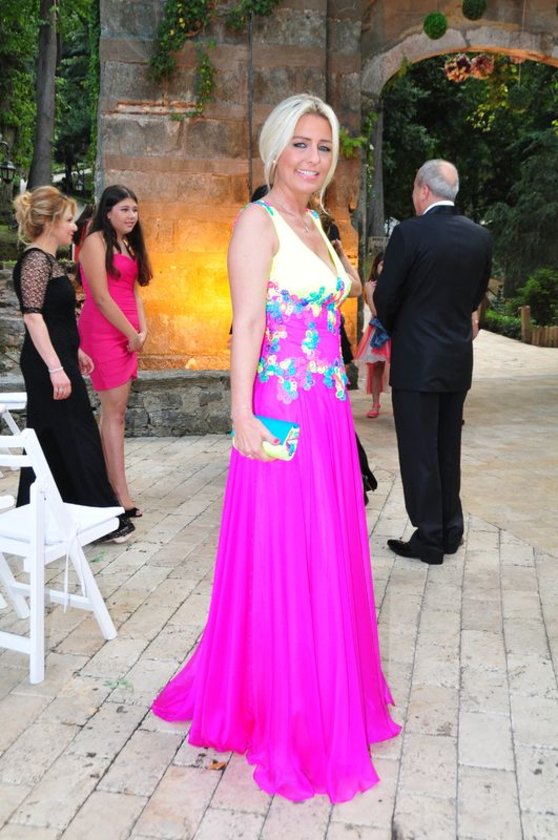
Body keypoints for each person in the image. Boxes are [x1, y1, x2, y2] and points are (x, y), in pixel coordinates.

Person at [152, 94, 400, 802]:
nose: (313, 158)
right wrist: (241, 416)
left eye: (323, 146)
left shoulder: (316, 221)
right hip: (281, 410)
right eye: (301, 143)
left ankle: (327, 689)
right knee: (289, 550)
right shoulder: (255, 222)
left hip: (326, 410)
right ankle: (287, 707)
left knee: (327, 547)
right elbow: (250, 323)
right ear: (274, 149)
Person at [374, 159, 492, 565]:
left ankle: (429, 536)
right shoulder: (479, 236)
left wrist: (401, 329)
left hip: (417, 360)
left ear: (423, 189)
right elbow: (475, 295)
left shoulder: (409, 233)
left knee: (419, 450)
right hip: (457, 358)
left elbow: (386, 296)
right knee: (447, 447)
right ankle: (450, 529)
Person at [12, 186, 134, 543]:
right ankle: (99, 518)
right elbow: (33, 317)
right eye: (67, 220)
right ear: (50, 222)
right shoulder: (35, 261)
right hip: (47, 366)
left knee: (56, 439)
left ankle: (50, 518)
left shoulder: (49, 262)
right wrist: (55, 368)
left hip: (60, 359)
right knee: (76, 436)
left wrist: (75, 351)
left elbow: (56, 317)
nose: (73, 227)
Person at [78, 185, 152, 519]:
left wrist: (143, 330)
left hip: (128, 335)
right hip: (104, 333)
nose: (131, 216)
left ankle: (105, 487)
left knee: (114, 413)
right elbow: (101, 297)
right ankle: (119, 494)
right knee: (115, 413)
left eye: (134, 209)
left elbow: (133, 292)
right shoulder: (95, 242)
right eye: (124, 209)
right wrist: (131, 334)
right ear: (107, 212)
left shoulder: (129, 244)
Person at [356, 252, 391, 418]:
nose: (385, 268)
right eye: (382, 264)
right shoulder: (370, 285)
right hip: (378, 330)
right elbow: (374, 310)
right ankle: (375, 403)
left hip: (395, 328)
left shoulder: (397, 284)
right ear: (376, 266)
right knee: (376, 368)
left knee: (399, 368)